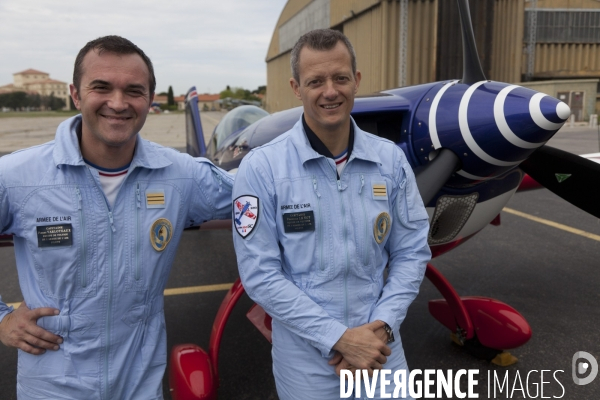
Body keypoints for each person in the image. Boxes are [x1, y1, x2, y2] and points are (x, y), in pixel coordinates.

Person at [0, 35, 233, 399]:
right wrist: (2, 319)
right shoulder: (16, 177)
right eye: (101, 87)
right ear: (76, 94)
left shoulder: (181, 175)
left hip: (140, 384)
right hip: (52, 387)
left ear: (150, 99)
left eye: (134, 91)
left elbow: (267, 193)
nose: (118, 103)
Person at [232, 29, 431, 399]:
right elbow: (259, 273)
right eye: (315, 81)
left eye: (340, 78)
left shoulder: (390, 160)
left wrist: (383, 327)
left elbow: (411, 251)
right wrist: (337, 337)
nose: (330, 91)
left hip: (381, 350)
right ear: (296, 87)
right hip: (307, 365)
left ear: (356, 81)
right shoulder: (261, 168)